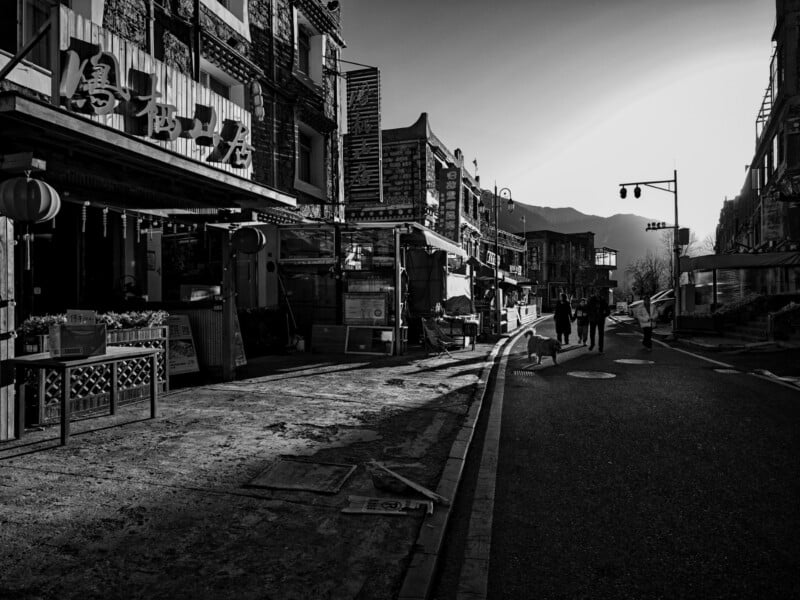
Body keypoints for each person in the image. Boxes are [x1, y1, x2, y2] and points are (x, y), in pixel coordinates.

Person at [587, 288, 611, 353]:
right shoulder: (591, 300)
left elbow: (608, 311)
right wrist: (590, 316)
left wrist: (603, 315)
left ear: (600, 294)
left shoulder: (603, 300)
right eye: (596, 292)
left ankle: (601, 348)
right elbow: (588, 309)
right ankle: (592, 344)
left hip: (600, 320)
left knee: (601, 334)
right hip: (593, 319)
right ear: (594, 293)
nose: (597, 294)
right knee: (592, 333)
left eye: (598, 292)